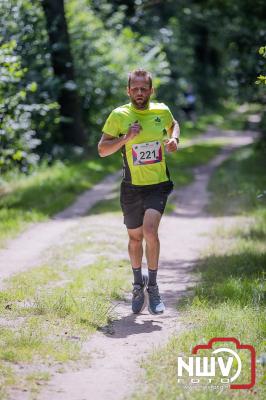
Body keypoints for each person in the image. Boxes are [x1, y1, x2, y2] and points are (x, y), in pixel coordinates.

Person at [98, 69, 180, 315]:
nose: (140, 93)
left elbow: (173, 124)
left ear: (151, 90)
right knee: (135, 239)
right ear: (128, 90)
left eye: (144, 88)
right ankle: (137, 285)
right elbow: (102, 149)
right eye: (135, 88)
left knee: (150, 231)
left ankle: (153, 288)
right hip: (131, 188)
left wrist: (175, 139)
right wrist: (126, 138)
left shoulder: (161, 111)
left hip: (157, 184)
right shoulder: (119, 115)